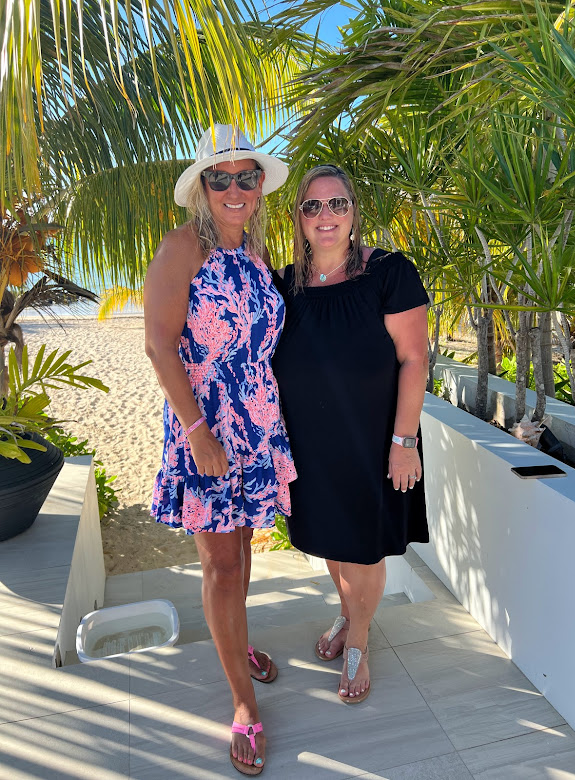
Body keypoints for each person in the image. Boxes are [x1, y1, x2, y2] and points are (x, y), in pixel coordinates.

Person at [144, 124, 296, 776]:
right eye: (220, 178)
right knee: (221, 566)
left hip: (255, 425)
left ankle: (238, 644)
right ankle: (241, 701)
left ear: (259, 187)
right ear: (202, 188)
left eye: (246, 177)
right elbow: (158, 344)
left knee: (241, 549)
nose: (234, 189)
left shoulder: (256, 253)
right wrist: (197, 431)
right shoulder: (181, 247)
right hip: (204, 427)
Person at [272, 164, 429, 704]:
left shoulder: (388, 273)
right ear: (299, 218)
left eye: (337, 203)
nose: (326, 215)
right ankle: (346, 613)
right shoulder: (285, 285)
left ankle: (359, 637)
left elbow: (414, 360)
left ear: (354, 212)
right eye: (313, 205)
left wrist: (403, 444)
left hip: (374, 443)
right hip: (310, 445)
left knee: (363, 548)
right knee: (333, 539)